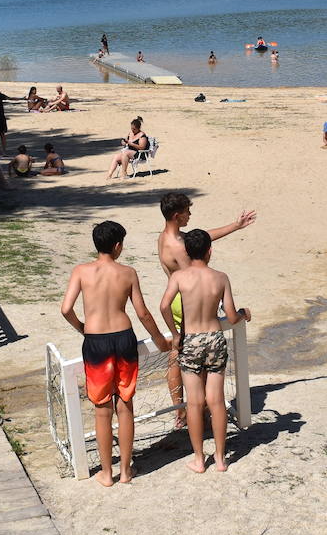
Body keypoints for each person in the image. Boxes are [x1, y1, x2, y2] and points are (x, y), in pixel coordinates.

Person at [61, 221, 171, 486]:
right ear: (118, 245)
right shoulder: (128, 272)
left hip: (96, 339)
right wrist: (159, 338)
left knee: (101, 408)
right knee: (125, 404)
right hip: (123, 338)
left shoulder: (81, 271)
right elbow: (142, 312)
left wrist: (83, 329)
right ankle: (125, 471)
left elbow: (66, 309)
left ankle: (106, 474)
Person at [157, 193, 256, 427]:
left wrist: (235, 226)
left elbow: (200, 238)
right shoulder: (178, 246)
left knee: (178, 351)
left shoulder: (167, 236)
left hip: (176, 300)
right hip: (187, 304)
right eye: (187, 212)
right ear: (176, 215)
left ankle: (180, 408)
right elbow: (197, 275)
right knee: (186, 355)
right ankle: (191, 412)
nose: (190, 215)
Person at [159, 229, 251, 473]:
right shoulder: (220, 277)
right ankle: (221, 459)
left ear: (187, 252)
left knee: (195, 403)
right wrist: (244, 313)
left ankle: (199, 459)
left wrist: (176, 334)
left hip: (191, 339)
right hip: (214, 338)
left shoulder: (179, 277)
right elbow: (231, 317)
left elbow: (164, 305)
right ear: (210, 251)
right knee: (217, 401)